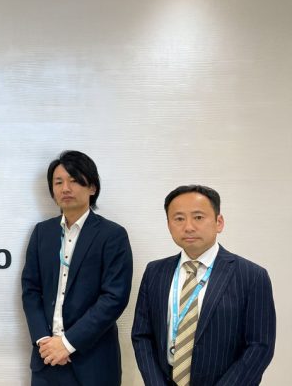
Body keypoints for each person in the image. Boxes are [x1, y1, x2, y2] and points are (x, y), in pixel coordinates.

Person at [131, 185, 275, 386]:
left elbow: (260, 346)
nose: (188, 227)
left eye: (198, 217)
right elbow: (142, 336)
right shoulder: (155, 272)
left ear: (219, 222)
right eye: (179, 219)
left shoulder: (251, 276)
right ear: (168, 225)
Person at [21, 150, 133, 386]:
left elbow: (114, 297)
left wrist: (67, 343)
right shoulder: (42, 233)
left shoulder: (112, 235)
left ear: (92, 187)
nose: (65, 188)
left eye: (74, 181)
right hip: (46, 360)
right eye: (58, 182)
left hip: (93, 361)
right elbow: (31, 290)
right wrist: (44, 341)